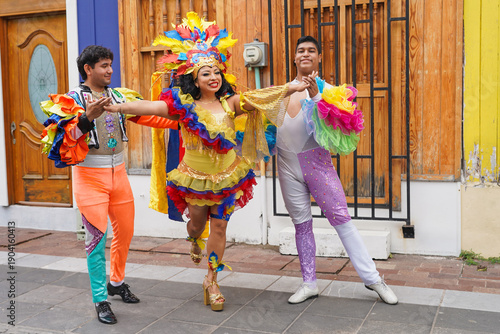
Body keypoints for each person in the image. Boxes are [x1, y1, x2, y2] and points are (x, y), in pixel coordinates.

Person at [104, 12, 307, 312]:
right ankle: (193, 237)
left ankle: (212, 280)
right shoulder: (183, 108)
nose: (213, 77)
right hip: (195, 179)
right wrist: (117, 106)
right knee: (197, 226)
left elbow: (259, 97)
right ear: (194, 80)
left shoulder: (230, 103)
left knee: (221, 229)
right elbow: (148, 106)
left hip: (227, 177)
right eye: (205, 73)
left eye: (216, 72)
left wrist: (290, 87)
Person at [40, 45, 176, 324]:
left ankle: (116, 282)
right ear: (88, 69)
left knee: (125, 233)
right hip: (89, 178)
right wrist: (88, 117)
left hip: (120, 175)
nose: (110, 70)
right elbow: (62, 141)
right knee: (96, 240)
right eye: (104, 65)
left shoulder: (119, 96)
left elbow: (149, 116)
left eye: (110, 64)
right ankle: (100, 300)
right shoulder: (70, 100)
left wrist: (183, 120)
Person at [276, 36, 398, 305]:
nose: (305, 54)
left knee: (342, 221)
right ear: (294, 58)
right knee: (301, 226)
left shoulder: (331, 91)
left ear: (319, 57)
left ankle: (374, 279)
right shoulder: (281, 91)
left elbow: (334, 135)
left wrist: (316, 96)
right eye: (300, 51)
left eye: (311, 50)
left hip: (317, 167)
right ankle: (309, 283)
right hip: (286, 167)